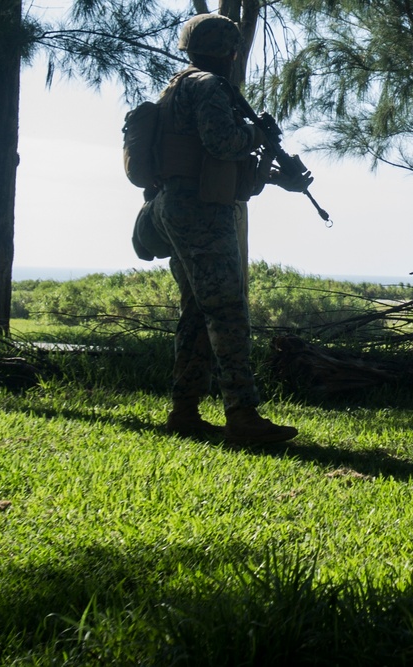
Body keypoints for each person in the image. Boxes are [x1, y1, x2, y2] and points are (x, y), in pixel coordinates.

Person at [151, 14, 311, 443]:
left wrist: (274, 174)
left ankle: (184, 410)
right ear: (231, 51)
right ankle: (242, 413)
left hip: (179, 207)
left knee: (198, 313)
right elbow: (222, 143)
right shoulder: (209, 86)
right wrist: (257, 132)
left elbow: (211, 158)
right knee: (227, 310)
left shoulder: (179, 86)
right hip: (202, 212)